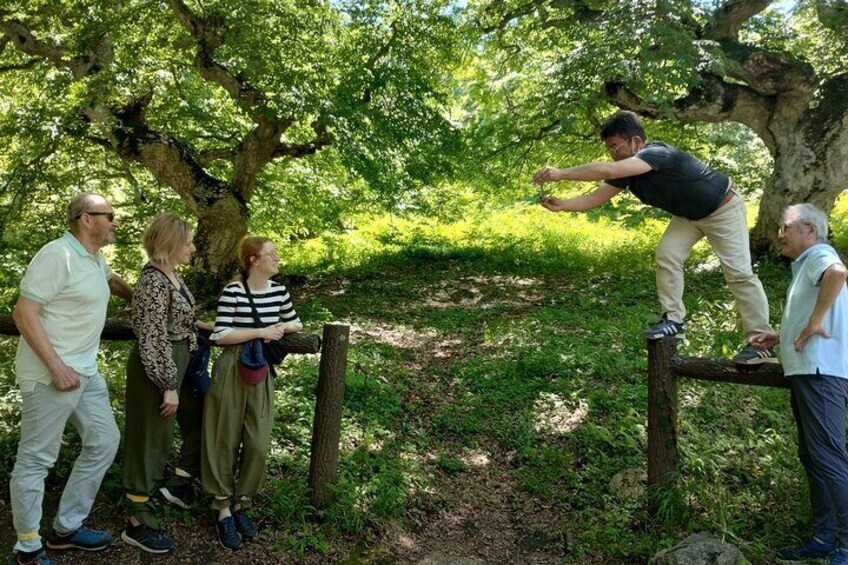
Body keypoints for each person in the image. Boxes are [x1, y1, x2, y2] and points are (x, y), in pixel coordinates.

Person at [532, 110, 774, 364]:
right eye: (609, 149)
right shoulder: (628, 172)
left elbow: (608, 170)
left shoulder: (658, 153)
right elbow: (595, 197)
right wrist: (565, 205)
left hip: (722, 208)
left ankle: (761, 343)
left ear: (635, 141)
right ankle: (673, 320)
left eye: (615, 147)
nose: (612, 154)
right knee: (667, 255)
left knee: (739, 274)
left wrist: (561, 173)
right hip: (687, 216)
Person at [9, 193, 132, 565]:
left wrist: (138, 296)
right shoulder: (55, 255)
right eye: (108, 215)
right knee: (36, 459)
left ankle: (66, 528)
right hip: (51, 375)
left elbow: (111, 281)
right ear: (85, 218)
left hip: (85, 373)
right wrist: (57, 367)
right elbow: (23, 314)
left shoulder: (94, 258)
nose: (114, 221)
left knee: (104, 440)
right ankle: (27, 547)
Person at [750, 204, 848, 565]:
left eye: (786, 227)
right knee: (815, 457)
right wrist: (782, 334)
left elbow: (838, 273)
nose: (780, 234)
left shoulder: (820, 254)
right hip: (811, 371)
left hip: (820, 372)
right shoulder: (805, 265)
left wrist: (815, 321)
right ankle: (824, 538)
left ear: (809, 230)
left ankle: (846, 544)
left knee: (828, 457)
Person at [120, 213, 214, 554]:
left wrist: (199, 326)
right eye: (187, 242)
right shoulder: (153, 283)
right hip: (157, 367)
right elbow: (152, 337)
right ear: (170, 244)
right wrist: (167, 384)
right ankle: (137, 516)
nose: (192, 247)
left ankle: (179, 485)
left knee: (197, 421)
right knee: (151, 437)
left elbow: (176, 321)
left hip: (181, 360)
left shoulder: (172, 276)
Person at [202, 236, 303, 550]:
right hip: (231, 366)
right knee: (223, 437)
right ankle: (222, 508)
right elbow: (220, 334)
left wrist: (281, 328)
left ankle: (241, 502)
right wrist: (262, 331)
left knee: (258, 441)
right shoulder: (233, 291)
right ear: (253, 260)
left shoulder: (279, 292)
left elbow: (295, 322)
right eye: (272, 254)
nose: (277, 259)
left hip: (260, 369)